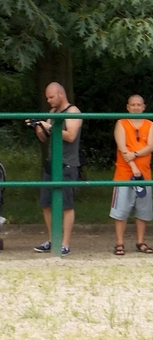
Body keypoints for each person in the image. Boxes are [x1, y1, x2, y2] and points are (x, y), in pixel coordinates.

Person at [28, 82, 82, 256]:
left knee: (66, 205)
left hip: (67, 164)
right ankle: (52, 240)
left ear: (60, 94)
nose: (49, 100)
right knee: (46, 203)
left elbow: (70, 135)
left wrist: (49, 126)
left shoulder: (73, 112)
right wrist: (37, 126)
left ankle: (65, 243)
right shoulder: (52, 113)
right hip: (51, 163)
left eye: (51, 97)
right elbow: (44, 137)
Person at [110, 94, 153, 255]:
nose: (136, 107)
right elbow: (122, 147)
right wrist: (132, 165)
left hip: (145, 174)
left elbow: (150, 146)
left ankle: (140, 241)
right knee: (121, 210)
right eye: (133, 105)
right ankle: (119, 243)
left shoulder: (150, 125)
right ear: (128, 107)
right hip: (123, 173)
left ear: (143, 107)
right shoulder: (121, 124)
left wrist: (134, 154)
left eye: (139, 105)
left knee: (143, 210)